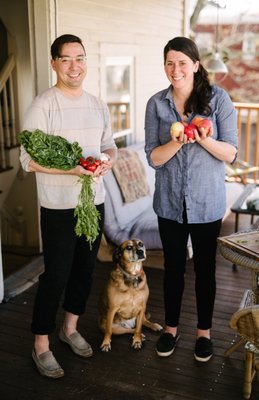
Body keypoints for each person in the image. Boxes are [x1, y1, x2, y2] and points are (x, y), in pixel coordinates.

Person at [20, 34, 117, 378]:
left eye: (80, 58)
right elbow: (27, 160)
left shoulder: (97, 104)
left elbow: (110, 145)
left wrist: (106, 160)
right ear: (54, 64)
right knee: (57, 275)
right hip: (59, 206)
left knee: (85, 271)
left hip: (94, 201)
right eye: (66, 59)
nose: (75, 66)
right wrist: (70, 168)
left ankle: (70, 328)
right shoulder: (43, 105)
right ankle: (41, 345)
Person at [144, 36, 237, 362]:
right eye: (169, 63)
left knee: (206, 270)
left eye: (182, 63)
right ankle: (170, 329)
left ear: (196, 66)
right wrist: (180, 140)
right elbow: (153, 158)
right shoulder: (157, 104)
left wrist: (202, 138)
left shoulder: (219, 100)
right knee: (172, 269)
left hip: (207, 202)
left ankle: (204, 333)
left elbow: (231, 152)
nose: (175, 69)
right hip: (169, 202)